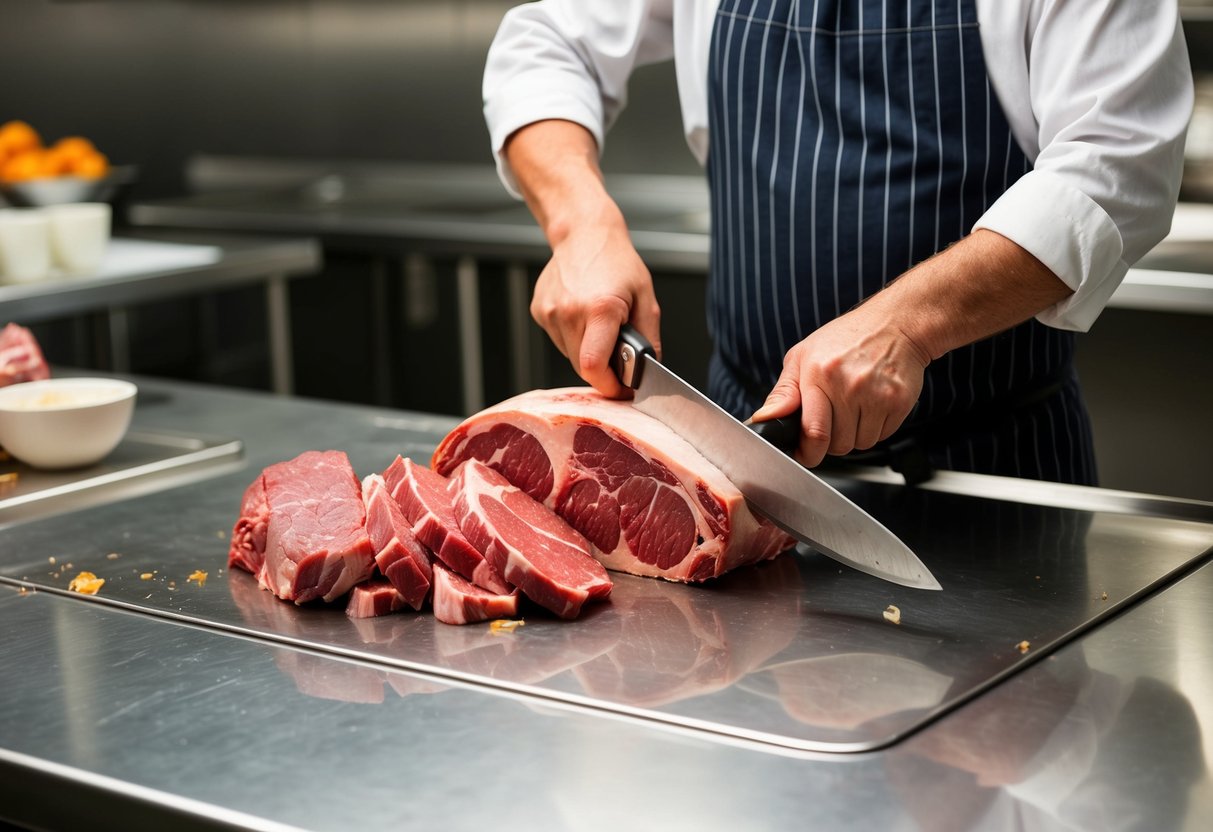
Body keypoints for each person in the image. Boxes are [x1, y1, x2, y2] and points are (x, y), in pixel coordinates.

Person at [482, 1, 1192, 484]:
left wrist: (905, 328)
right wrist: (581, 224)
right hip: (750, 463)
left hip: (996, 469)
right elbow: (547, 39)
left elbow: (1119, 159)